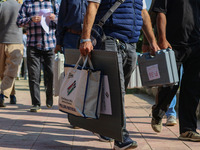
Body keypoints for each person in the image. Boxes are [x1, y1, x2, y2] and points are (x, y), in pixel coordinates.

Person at [80, 0, 159, 149]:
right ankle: (121, 137)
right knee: (117, 90)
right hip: (109, 39)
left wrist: (152, 41)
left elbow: (143, 13)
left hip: (131, 43)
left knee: (116, 90)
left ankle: (104, 127)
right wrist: (86, 38)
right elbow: (93, 5)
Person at [55, 0, 113, 142]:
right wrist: (58, 41)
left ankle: (94, 121)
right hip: (71, 38)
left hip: (92, 39)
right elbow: (61, 18)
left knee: (92, 78)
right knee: (73, 77)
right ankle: (74, 116)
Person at [151, 0, 200, 141]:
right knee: (170, 84)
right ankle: (158, 112)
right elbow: (160, 12)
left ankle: (187, 129)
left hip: (196, 44)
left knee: (192, 88)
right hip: (172, 45)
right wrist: (162, 39)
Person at [16, 0, 60, 112]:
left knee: (50, 74)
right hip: (33, 45)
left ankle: (49, 98)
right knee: (34, 76)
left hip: (49, 45)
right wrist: (30, 19)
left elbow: (62, 23)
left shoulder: (53, 3)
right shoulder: (27, 3)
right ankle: (36, 103)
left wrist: (54, 18)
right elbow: (18, 22)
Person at [142, 0, 178, 126]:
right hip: (166, 46)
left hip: (190, 43)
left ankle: (166, 111)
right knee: (169, 82)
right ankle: (168, 113)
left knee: (180, 81)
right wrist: (147, 43)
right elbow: (149, 20)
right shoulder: (158, 3)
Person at [0, 0, 24, 107]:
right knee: (11, 71)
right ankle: (3, 94)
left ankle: (12, 95)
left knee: (4, 72)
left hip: (2, 41)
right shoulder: (21, 6)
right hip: (16, 42)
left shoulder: (1, 5)